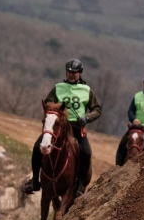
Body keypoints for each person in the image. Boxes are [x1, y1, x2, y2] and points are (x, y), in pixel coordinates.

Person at [22, 58, 102, 198]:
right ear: (66, 72)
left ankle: (81, 186)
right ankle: (35, 180)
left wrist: (87, 118)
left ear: (80, 73)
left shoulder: (86, 90)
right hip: (58, 128)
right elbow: (47, 103)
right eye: (69, 72)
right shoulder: (58, 87)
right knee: (37, 147)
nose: (72, 75)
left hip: (76, 129)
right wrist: (55, 111)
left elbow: (97, 109)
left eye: (75, 72)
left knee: (87, 153)